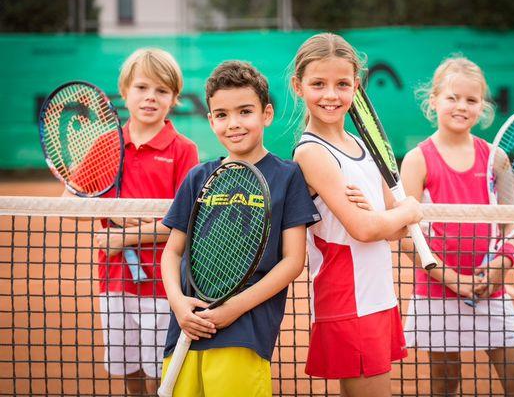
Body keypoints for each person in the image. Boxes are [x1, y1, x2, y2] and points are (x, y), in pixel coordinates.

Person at [160, 60, 320, 397]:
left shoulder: (288, 176)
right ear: (211, 120)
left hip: (246, 331)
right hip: (186, 329)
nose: (233, 123)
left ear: (266, 114)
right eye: (222, 115)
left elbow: (292, 261)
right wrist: (178, 303)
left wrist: (233, 308)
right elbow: (172, 251)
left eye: (245, 111)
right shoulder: (198, 178)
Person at [291, 32, 422, 397]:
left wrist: (387, 219)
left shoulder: (363, 145)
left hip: (377, 294)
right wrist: (404, 211)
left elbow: (393, 229)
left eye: (342, 84)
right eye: (318, 84)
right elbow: (367, 228)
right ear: (298, 86)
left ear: (356, 87)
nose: (331, 95)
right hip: (348, 299)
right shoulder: (311, 152)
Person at [64, 48, 199, 395]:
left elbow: (180, 223)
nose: (150, 98)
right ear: (124, 92)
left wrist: (125, 238)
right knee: (130, 373)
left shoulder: (184, 150)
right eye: (142, 88)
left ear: (174, 99)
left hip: (162, 286)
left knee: (161, 375)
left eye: (161, 91)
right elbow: (69, 202)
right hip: (114, 282)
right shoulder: (106, 145)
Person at [400, 55, 514, 396]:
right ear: (433, 101)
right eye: (452, 97)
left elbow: (509, 228)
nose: (462, 106)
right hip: (436, 292)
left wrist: (501, 266)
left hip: (490, 289)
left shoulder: (497, 159)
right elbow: (406, 237)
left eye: (471, 100)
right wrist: (453, 280)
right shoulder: (417, 160)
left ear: (482, 106)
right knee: (445, 383)